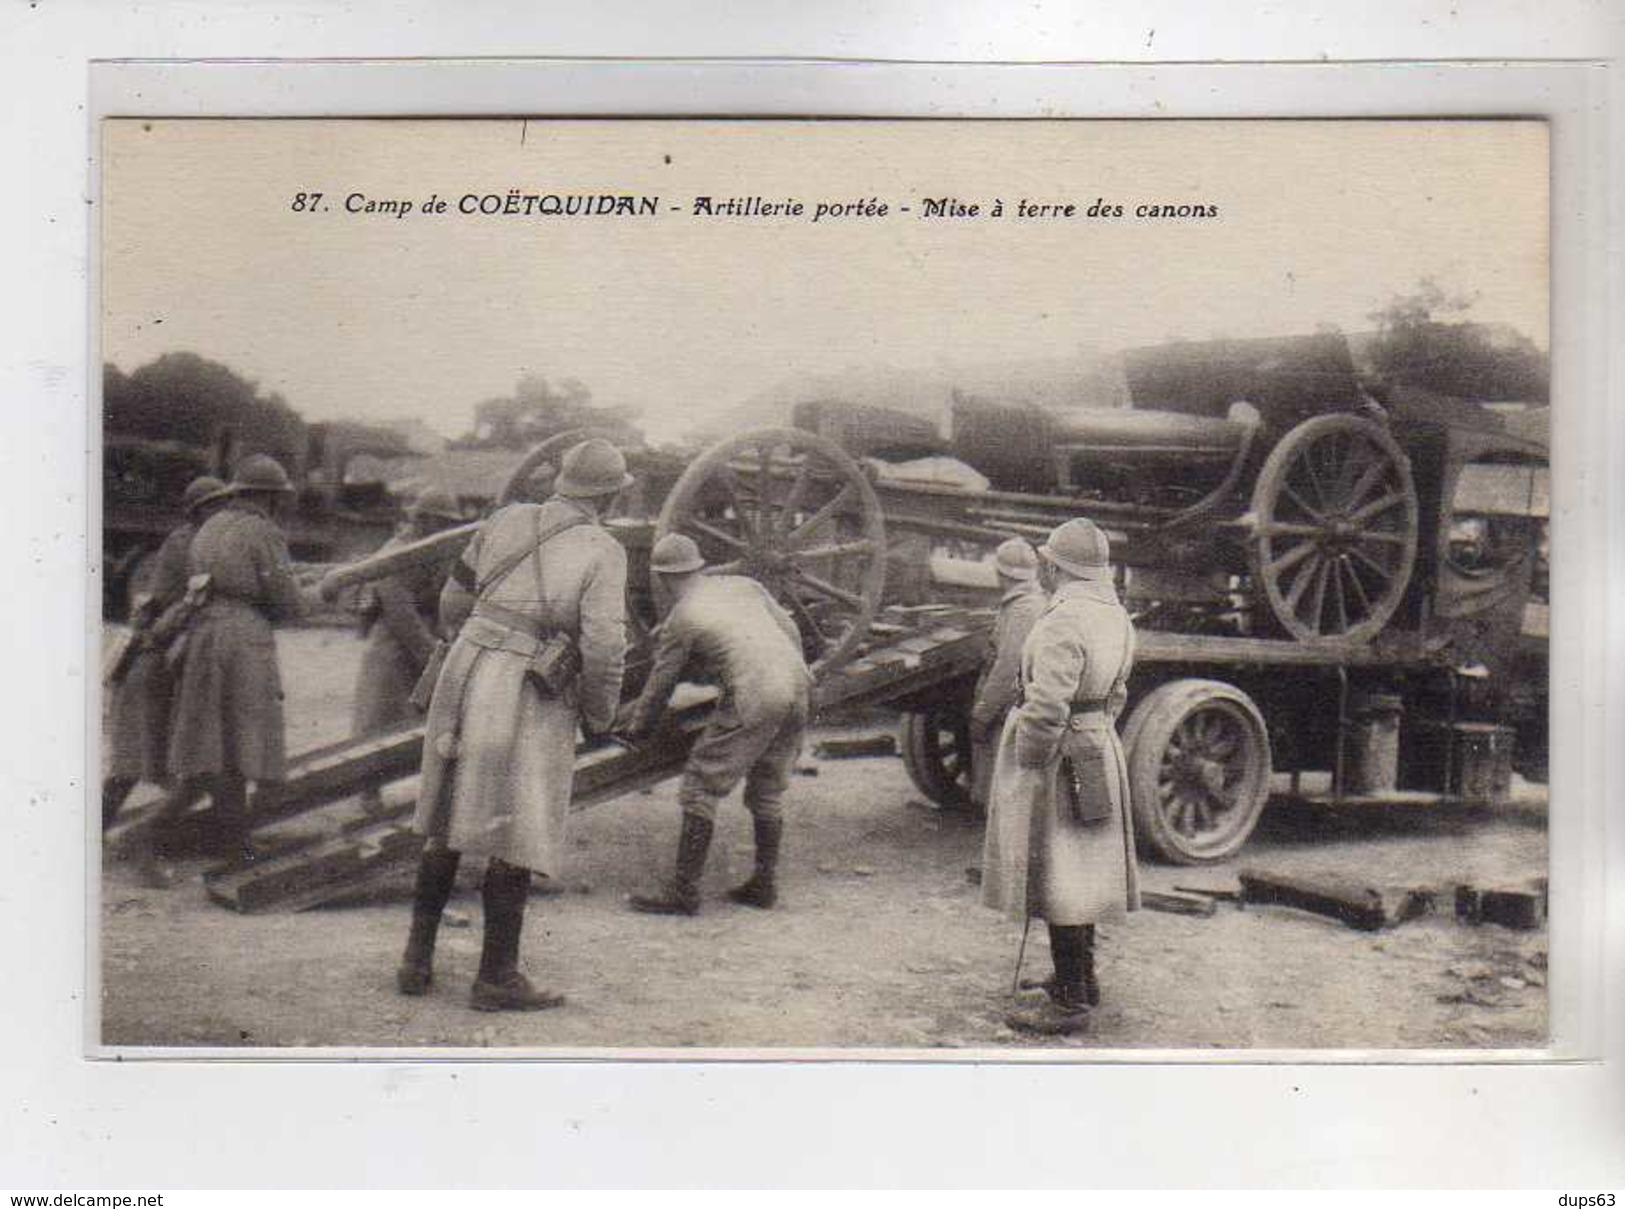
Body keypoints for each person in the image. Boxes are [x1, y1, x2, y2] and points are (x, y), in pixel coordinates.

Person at [397, 438, 630, 1011]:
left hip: (465, 669)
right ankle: (496, 977)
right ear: (610, 496)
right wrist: (600, 714)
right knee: (518, 827)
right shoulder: (604, 550)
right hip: (523, 685)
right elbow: (604, 646)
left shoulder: (505, 519)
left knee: (446, 817)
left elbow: (454, 599)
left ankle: (416, 960)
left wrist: (480, 638)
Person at [981, 516, 1140, 1036]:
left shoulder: (1061, 621)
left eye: (1047, 563)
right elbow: (1117, 693)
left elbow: (1047, 705)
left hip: (1058, 755)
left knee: (1059, 873)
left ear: (1055, 567)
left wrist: (1030, 759)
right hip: (1096, 746)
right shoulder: (1117, 617)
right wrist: (1095, 731)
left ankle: (1070, 1000)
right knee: (1081, 868)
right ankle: (1081, 978)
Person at [619, 533, 812, 916]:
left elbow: (660, 684)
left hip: (756, 696)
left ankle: (684, 892)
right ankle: (764, 884)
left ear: (661, 577)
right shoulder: (746, 586)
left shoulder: (682, 617)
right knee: (767, 790)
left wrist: (637, 727)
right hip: (799, 686)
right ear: (699, 566)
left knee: (699, 786)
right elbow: (790, 632)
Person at [141, 455, 305, 887]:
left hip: (205, 636)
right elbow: (285, 602)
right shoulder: (263, 531)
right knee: (240, 743)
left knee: (217, 745)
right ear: (269, 498)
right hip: (242, 640)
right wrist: (305, 596)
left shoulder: (210, 528)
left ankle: (235, 842)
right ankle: (160, 833)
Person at [103, 474, 226, 830]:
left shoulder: (198, 540)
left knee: (150, 756)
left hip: (166, 653)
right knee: (139, 760)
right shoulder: (187, 542)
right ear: (199, 510)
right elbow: (172, 601)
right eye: (217, 505)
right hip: (159, 653)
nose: (224, 511)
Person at [349, 486, 464, 816]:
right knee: (379, 722)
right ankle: (368, 794)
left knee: (434, 722)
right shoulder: (398, 551)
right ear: (423, 520)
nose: (445, 530)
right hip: (391, 645)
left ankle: (434, 798)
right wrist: (432, 654)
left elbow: (443, 599)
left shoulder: (433, 551)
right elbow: (400, 612)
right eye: (440, 522)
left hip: (423, 640)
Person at [968, 537, 1047, 811]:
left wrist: (982, 712)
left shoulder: (1023, 609)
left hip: (1009, 709)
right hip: (1013, 707)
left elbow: (1007, 667)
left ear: (1001, 573)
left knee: (1003, 793)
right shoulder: (1022, 604)